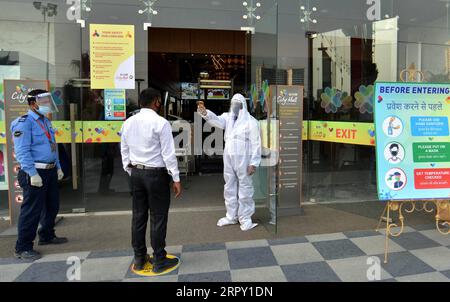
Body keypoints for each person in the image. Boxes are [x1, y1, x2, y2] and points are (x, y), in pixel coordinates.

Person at [120, 88, 182, 273]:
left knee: (138, 216)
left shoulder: (128, 122)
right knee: (158, 218)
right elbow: (168, 154)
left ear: (140, 102)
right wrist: (176, 178)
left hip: (136, 173)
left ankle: (139, 258)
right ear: (156, 101)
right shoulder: (161, 123)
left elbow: (124, 149)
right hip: (156, 175)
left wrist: (129, 170)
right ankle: (159, 260)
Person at [11, 89, 67, 261]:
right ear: (33, 103)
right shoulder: (24, 122)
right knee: (31, 211)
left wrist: (57, 167)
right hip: (34, 171)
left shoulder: (45, 121)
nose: (47, 105)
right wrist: (32, 173)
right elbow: (22, 151)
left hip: (49, 170)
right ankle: (23, 247)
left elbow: (52, 146)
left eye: (48, 101)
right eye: (43, 102)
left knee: (52, 206)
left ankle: (47, 235)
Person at [198, 93, 261, 231]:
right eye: (233, 104)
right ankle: (231, 216)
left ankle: (245, 217)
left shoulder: (252, 122)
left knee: (245, 186)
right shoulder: (228, 118)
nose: (235, 107)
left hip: (244, 155)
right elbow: (216, 120)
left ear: (243, 106)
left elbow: (256, 144)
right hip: (229, 154)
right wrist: (204, 112)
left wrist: (254, 163)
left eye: (238, 105)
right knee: (229, 184)